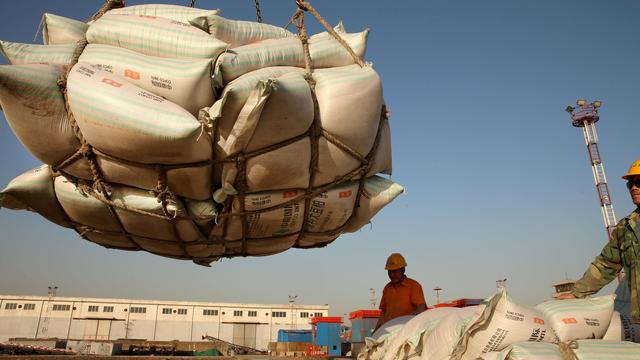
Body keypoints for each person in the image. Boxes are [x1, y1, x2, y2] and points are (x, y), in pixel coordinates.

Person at [557, 159, 640, 324]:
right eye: (630, 184)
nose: (634, 188)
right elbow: (605, 265)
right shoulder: (625, 228)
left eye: (639, 182)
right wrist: (576, 293)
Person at [375, 253, 427, 330]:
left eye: (394, 271)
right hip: (390, 330)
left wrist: (412, 317)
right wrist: (376, 330)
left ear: (403, 270)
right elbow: (384, 312)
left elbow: (421, 306)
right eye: (390, 272)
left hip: (406, 330)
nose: (392, 275)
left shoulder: (413, 285)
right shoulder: (387, 288)